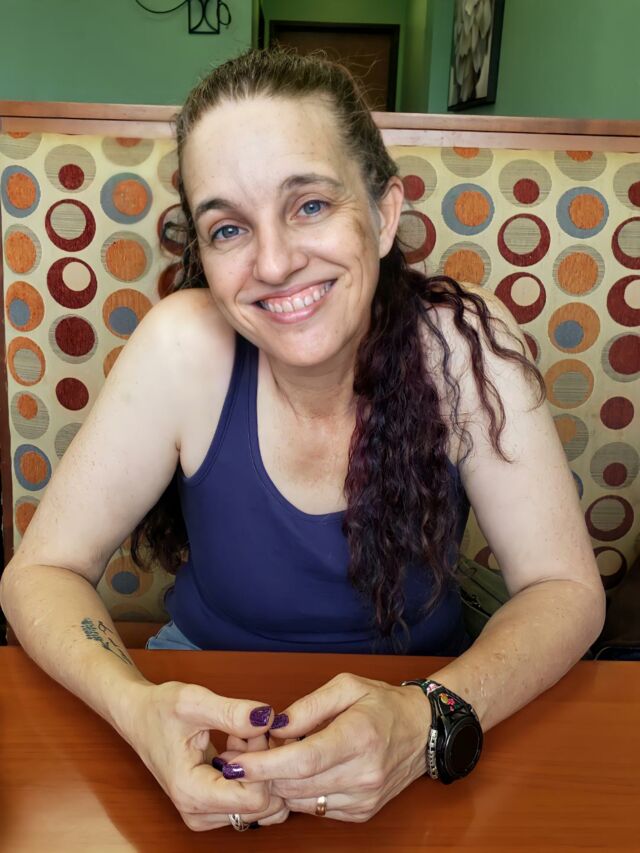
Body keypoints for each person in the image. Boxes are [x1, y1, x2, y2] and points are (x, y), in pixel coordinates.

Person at [0, 49, 605, 832]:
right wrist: (138, 709)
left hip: (430, 700)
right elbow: (38, 572)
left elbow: (566, 589)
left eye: (310, 205)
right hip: (206, 708)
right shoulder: (181, 347)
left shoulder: (465, 349)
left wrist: (426, 719)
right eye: (228, 227)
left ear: (383, 213)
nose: (276, 262)